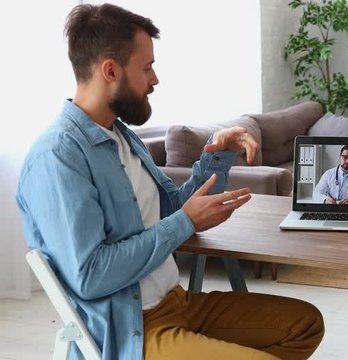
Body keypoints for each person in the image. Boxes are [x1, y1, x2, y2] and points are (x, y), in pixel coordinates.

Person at [15, 4, 323, 359]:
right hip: (134, 328)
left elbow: (170, 211)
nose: (155, 79)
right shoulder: (58, 157)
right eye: (146, 68)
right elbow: (91, 275)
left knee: (305, 323)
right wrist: (185, 220)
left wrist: (216, 156)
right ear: (110, 70)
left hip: (178, 302)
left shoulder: (120, 136)